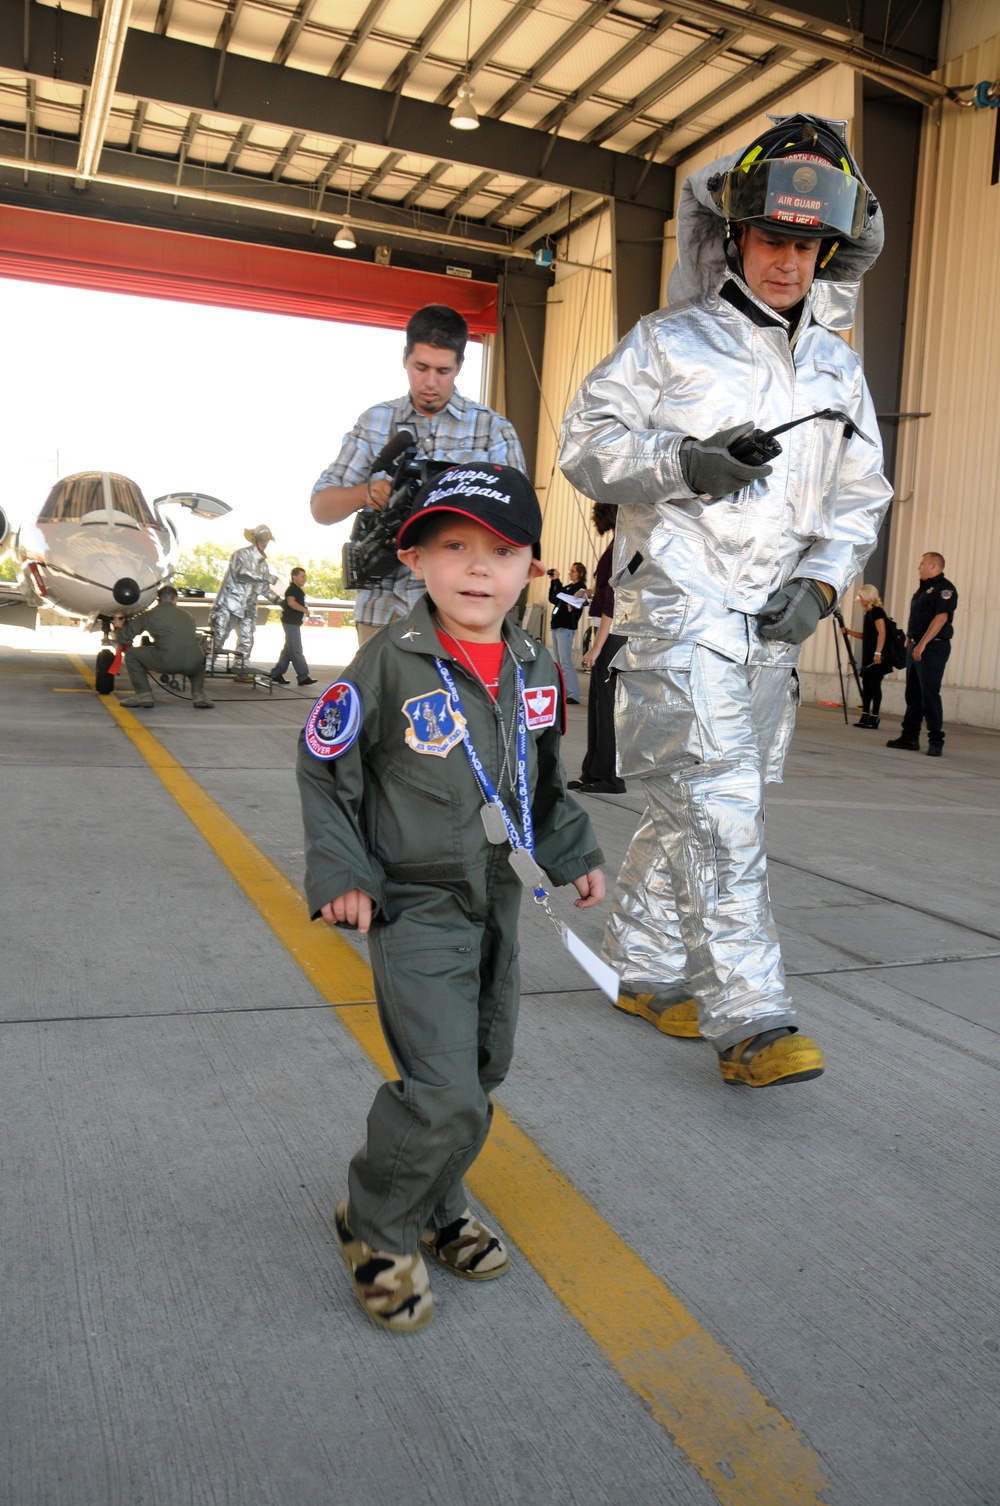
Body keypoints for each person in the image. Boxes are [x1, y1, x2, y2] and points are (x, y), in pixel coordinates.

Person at [559, 113, 892, 1088]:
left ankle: (643, 963)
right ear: (737, 235)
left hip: (771, 625)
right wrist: (681, 462)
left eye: (806, 244)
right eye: (774, 238)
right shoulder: (667, 345)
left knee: (688, 806)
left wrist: (822, 584)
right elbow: (586, 444)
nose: (788, 261)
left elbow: (859, 496)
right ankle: (749, 1015)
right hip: (678, 607)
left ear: (826, 250)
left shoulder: (838, 369)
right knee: (722, 806)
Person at [297, 464, 604, 1332]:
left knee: (480, 1072)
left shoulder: (531, 661)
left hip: (493, 897)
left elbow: (540, 776)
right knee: (442, 1091)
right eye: (455, 547)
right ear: (417, 559)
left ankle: (437, 1204)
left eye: (501, 550)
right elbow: (325, 769)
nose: (479, 568)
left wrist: (572, 849)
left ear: (532, 566)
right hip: (413, 903)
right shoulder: (388, 663)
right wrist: (343, 873)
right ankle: (377, 1225)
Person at [310, 304, 527, 643]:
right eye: (420, 367)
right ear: (404, 358)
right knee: (377, 696)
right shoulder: (375, 422)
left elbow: (518, 523)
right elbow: (320, 508)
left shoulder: (492, 431)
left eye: (443, 371)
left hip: (462, 611)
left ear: (460, 366)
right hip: (381, 608)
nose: (430, 382)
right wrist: (365, 494)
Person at [569, 504, 626, 794]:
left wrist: (595, 648)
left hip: (612, 636)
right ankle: (592, 770)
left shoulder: (621, 547)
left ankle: (609, 777)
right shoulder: (618, 544)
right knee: (598, 706)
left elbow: (613, 604)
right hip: (611, 634)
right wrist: (587, 592)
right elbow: (604, 594)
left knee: (606, 707)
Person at [887, 552, 958, 757]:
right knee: (913, 694)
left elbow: (940, 619)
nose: (919, 567)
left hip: (933, 647)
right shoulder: (923, 589)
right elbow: (918, 618)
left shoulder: (945, 589)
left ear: (934, 566)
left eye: (922, 564)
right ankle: (909, 737)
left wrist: (923, 644)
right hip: (917, 646)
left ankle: (936, 741)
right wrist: (911, 640)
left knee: (929, 695)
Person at [117, 585, 213, 709]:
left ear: (158, 600)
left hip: (168, 661)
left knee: (131, 654)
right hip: (194, 663)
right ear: (175, 600)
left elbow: (125, 636)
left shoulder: (149, 615)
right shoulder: (187, 615)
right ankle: (198, 695)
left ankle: (144, 694)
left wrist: (119, 627)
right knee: (197, 659)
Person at [209, 525, 282, 681]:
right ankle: (205, 666)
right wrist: (264, 576)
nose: (265, 544)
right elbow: (240, 573)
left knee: (247, 639)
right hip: (230, 604)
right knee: (219, 636)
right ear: (256, 540)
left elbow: (263, 588)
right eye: (264, 540)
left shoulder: (263, 564)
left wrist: (279, 600)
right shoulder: (240, 555)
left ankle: (240, 667)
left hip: (248, 608)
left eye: (267, 541)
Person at [841, 584, 892, 728]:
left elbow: (882, 633)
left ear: (868, 597)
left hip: (877, 656)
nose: (859, 600)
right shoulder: (868, 613)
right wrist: (850, 632)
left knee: (875, 685)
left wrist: (878, 652)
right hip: (869, 655)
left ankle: (874, 717)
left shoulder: (877, 612)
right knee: (867, 685)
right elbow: (868, 636)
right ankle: (865, 715)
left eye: (861, 597)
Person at [547, 562, 588, 703]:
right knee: (560, 661)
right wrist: (553, 582)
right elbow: (554, 598)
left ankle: (573, 694)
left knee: (566, 662)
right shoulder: (568, 587)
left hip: (566, 627)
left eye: (573, 571)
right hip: (557, 626)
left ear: (580, 574)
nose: (570, 573)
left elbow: (563, 595)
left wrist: (557, 581)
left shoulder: (580, 589)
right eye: (569, 570)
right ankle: (563, 691)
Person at [270, 568, 317, 687]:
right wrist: (305, 610)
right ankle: (303, 676)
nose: (304, 579)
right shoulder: (293, 589)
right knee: (296, 649)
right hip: (290, 623)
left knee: (288, 650)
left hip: (293, 623)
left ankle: (276, 673)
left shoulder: (297, 589)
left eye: (305, 576)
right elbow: (291, 602)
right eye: (302, 576)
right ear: (294, 577)